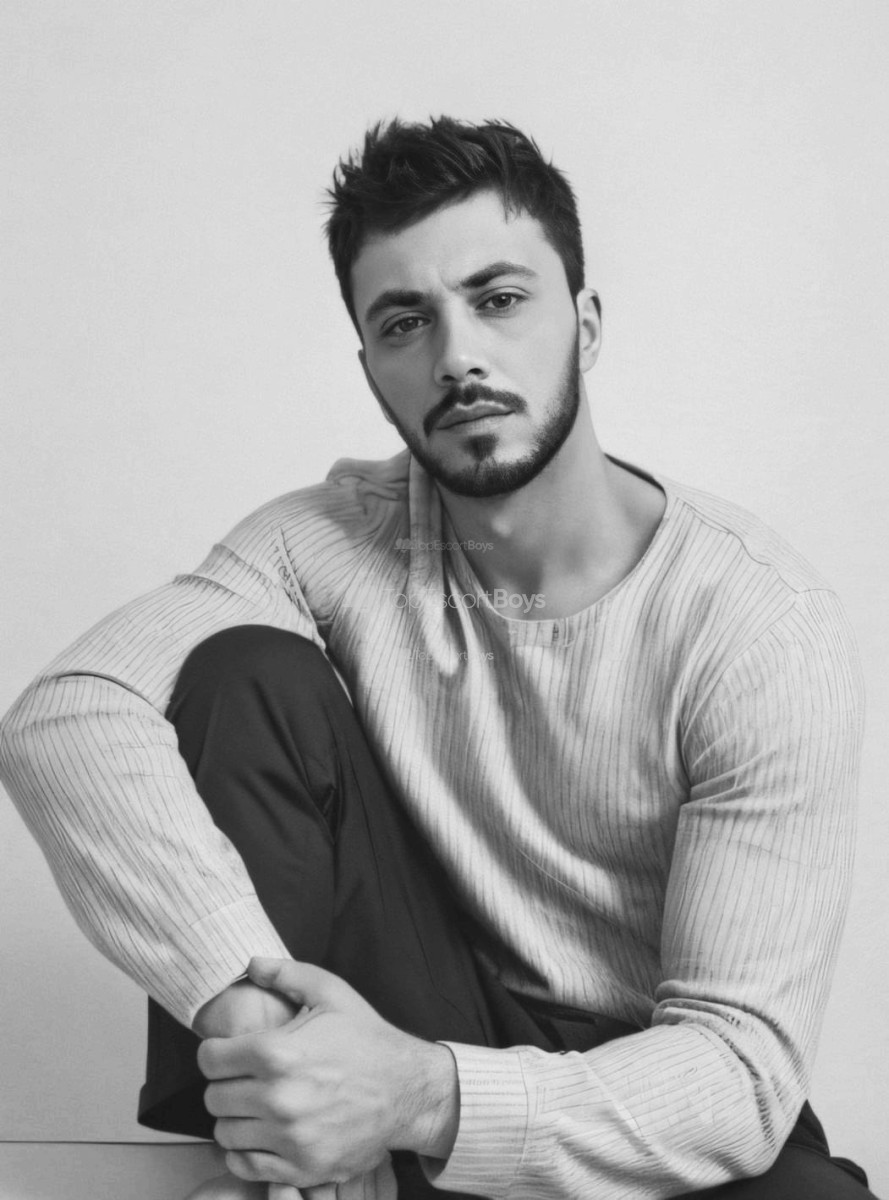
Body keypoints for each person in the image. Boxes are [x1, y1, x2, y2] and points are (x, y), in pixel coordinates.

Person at [0, 117, 874, 1200]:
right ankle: (304, 1158)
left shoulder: (757, 624)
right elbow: (67, 713)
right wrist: (268, 1032)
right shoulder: (323, 541)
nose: (456, 355)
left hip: (640, 1098)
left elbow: (737, 1078)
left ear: (584, 324)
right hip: (409, 1016)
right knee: (244, 673)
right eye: (406, 321)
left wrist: (416, 1097)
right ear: (371, 367)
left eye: (498, 299)